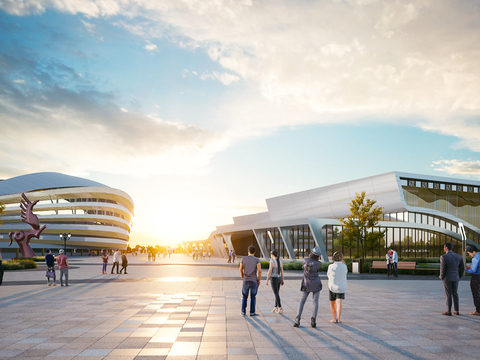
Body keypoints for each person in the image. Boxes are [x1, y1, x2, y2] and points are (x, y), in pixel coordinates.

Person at [294, 247, 323, 328]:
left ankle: (297, 319)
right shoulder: (319, 263)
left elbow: (304, 268)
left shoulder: (304, 260)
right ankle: (313, 320)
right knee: (315, 301)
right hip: (316, 284)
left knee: (302, 301)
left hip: (306, 284)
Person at [440, 242, 464, 315]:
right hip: (455, 277)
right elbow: (462, 268)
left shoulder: (443, 257)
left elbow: (443, 268)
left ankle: (449, 311)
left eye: (444, 247)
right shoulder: (458, 256)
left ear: (446, 248)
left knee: (448, 294)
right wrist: (459, 275)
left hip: (447, 278)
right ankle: (456, 310)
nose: (444, 248)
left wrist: (441, 276)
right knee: (455, 293)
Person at [239, 245, 262, 316]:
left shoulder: (243, 259)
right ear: (255, 252)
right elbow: (259, 271)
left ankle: (243, 312)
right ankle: (252, 312)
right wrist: (259, 280)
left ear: (248, 251)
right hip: (254, 280)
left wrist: (243, 278)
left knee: (244, 296)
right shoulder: (257, 260)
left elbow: (240, 269)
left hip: (246, 280)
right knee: (253, 297)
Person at [327, 251, 348, 323]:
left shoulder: (330, 266)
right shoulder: (344, 266)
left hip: (332, 286)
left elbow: (328, 275)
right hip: (341, 287)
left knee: (332, 303)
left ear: (333, 258)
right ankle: (338, 319)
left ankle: (334, 318)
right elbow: (345, 273)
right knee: (339, 303)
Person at [266, 249, 284, 314]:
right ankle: (275, 307)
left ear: (272, 255)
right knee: (277, 293)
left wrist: (267, 279)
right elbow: (282, 272)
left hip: (273, 279)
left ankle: (280, 307)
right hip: (279, 279)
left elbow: (269, 271)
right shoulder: (280, 261)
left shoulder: (272, 261)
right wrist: (282, 279)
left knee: (276, 294)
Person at [466, 244, 480, 316]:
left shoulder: (475, 258)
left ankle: (478, 310)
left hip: (476, 277)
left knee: (476, 293)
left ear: (473, 251)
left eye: (469, 253)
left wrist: (466, 270)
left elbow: (473, 270)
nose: (470, 255)